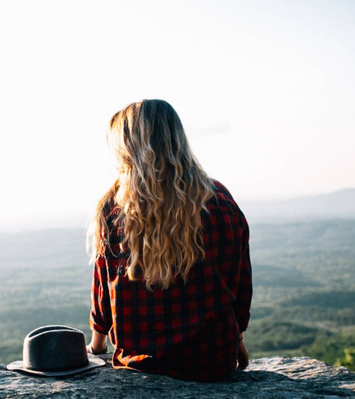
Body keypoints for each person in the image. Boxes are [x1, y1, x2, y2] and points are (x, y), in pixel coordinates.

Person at [85, 99, 252, 382]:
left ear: (125, 149)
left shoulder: (113, 207)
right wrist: (236, 342)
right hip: (211, 361)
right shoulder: (218, 200)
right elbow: (237, 283)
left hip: (139, 365)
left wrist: (96, 347)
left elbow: (104, 292)